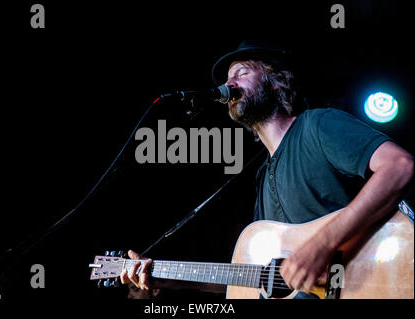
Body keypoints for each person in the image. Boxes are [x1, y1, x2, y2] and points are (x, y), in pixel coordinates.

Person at [120, 40, 414, 298]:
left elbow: (399, 166)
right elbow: (260, 279)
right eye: (228, 78)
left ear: (275, 81)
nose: (230, 84)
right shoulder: (263, 176)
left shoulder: (316, 125)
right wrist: (169, 279)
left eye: (242, 73)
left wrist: (322, 245)